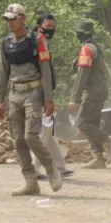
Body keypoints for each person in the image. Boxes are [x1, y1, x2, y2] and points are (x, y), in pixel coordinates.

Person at [0, 3, 61, 195]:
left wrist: (48, 99)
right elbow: (2, 72)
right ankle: (30, 181)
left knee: (30, 136)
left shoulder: (38, 40)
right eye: (7, 19)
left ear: (23, 18)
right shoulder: (5, 43)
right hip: (15, 94)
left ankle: (50, 168)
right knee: (17, 140)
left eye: (13, 19)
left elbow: (46, 71)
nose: (10, 23)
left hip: (33, 92)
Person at [67, 20, 111, 169]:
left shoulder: (87, 49)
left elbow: (83, 74)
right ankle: (98, 158)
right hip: (99, 90)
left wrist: (74, 98)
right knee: (92, 124)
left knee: (81, 123)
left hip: (92, 92)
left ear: (80, 33)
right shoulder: (93, 47)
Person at [31, 13, 73, 181]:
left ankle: (61, 167)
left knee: (48, 132)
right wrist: (46, 98)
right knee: (45, 132)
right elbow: (41, 71)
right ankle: (33, 168)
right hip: (39, 93)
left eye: (53, 28)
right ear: (39, 26)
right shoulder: (37, 41)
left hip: (44, 92)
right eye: (48, 28)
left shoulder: (40, 40)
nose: (51, 31)